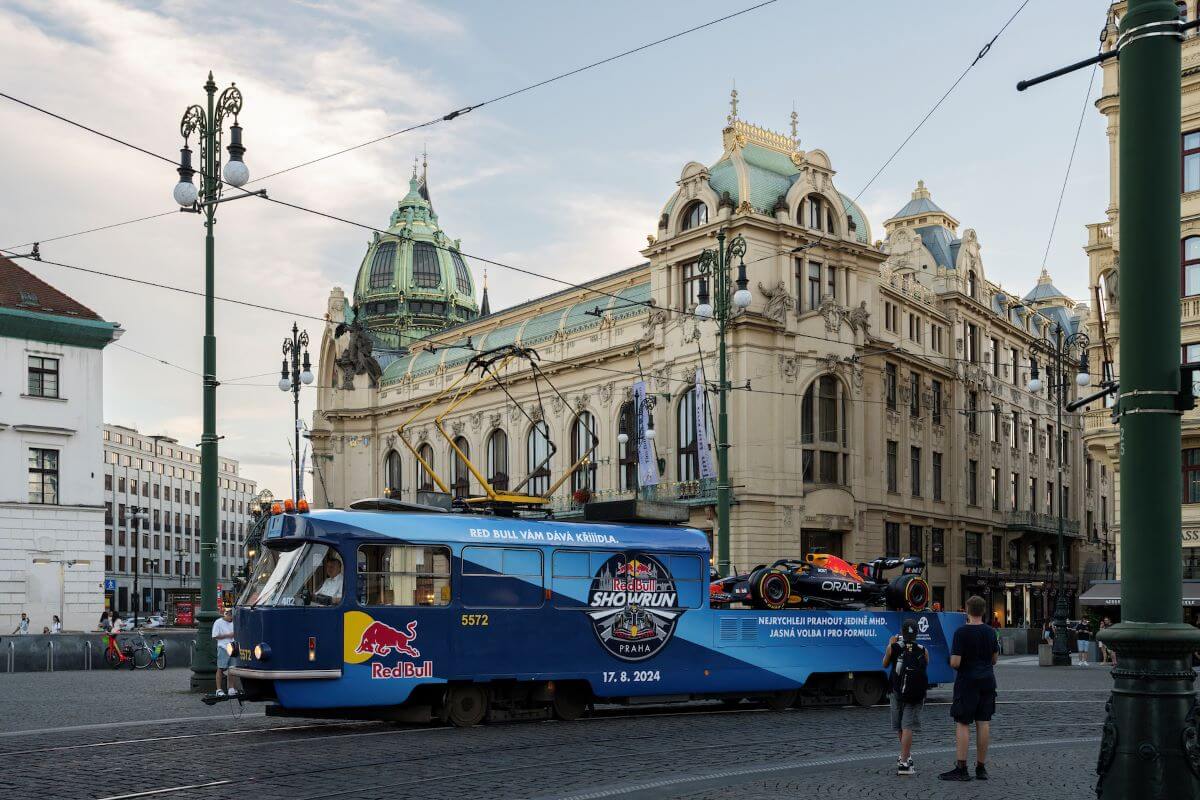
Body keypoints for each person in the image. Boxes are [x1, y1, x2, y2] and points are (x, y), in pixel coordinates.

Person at [939, 595, 999, 782]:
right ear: (983, 611)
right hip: (987, 680)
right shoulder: (991, 632)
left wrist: (950, 661)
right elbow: (994, 659)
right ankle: (981, 768)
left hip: (967, 682)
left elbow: (956, 662)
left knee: (963, 723)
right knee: (984, 722)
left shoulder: (961, 633)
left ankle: (961, 767)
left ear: (967, 610)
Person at [883, 618, 928, 776]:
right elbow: (925, 666)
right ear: (916, 633)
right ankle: (905, 757)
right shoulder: (923, 649)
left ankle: (904, 762)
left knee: (901, 726)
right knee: (908, 725)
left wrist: (890, 644)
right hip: (915, 693)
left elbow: (885, 664)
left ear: (902, 632)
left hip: (896, 690)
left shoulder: (894, 647)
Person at [212, 607, 237, 697]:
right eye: (230, 616)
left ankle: (231, 688)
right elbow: (215, 636)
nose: (232, 618)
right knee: (220, 668)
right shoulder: (218, 622)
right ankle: (219, 689)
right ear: (226, 614)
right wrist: (228, 635)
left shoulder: (234, 622)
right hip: (223, 647)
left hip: (233, 647)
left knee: (232, 668)